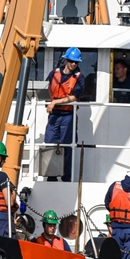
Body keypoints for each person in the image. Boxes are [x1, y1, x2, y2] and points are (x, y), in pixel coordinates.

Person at [45, 47, 84, 181]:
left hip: (68, 115)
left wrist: (55, 102)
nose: (74, 64)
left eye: (76, 62)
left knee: (67, 146)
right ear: (66, 60)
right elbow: (47, 87)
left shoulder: (79, 77)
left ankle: (66, 177)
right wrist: (50, 102)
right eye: (72, 61)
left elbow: (74, 97)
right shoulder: (54, 73)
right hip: (54, 115)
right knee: (50, 143)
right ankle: (51, 176)